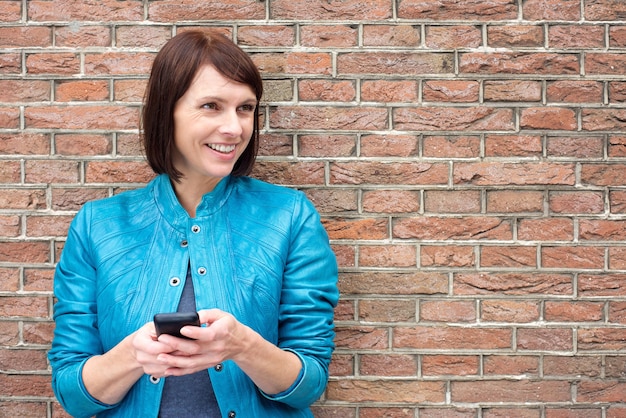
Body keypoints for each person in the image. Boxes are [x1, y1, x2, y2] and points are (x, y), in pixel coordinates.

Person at [48, 29, 339, 418]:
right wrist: (132, 356)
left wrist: (241, 345)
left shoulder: (290, 216)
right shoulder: (97, 225)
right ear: (166, 111)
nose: (234, 128)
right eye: (211, 106)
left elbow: (308, 385)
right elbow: (72, 393)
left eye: (245, 108)